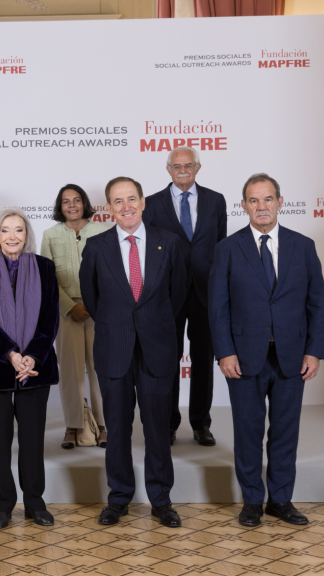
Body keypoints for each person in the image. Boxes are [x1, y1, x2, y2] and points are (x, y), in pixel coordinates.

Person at [209, 173, 324, 527]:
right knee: (248, 430)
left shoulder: (303, 245)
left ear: (280, 201)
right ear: (244, 205)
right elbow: (218, 307)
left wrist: (314, 351)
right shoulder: (227, 249)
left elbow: (316, 304)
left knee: (285, 431)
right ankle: (252, 502)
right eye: (254, 200)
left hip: (293, 355)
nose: (262, 206)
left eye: (268, 199)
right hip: (243, 357)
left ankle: (281, 500)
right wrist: (225, 352)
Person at [80, 177, 187, 528]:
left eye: (131, 199)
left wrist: (151, 325)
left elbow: (178, 295)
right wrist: (121, 325)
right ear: (108, 208)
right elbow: (93, 300)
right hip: (114, 349)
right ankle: (119, 498)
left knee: (157, 429)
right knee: (118, 430)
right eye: (117, 201)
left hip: (157, 349)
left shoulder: (168, 243)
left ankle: (161, 500)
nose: (125, 207)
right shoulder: (96, 248)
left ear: (143, 202)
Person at [0, 208, 59, 529]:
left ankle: (35, 503)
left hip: (35, 369)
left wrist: (32, 357)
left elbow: (50, 319)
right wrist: (11, 355)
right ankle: (3, 505)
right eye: (6, 230)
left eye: (19, 230)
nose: (12, 236)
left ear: (27, 235)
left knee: (33, 441)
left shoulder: (45, 269)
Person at [144, 146, 227, 447]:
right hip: (167, 294)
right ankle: (168, 423)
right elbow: (147, 254)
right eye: (176, 166)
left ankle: (201, 424)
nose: (182, 170)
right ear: (168, 169)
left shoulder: (215, 200)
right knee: (167, 360)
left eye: (188, 165)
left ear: (197, 167)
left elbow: (220, 248)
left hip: (206, 292)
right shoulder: (151, 204)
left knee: (204, 359)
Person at [40, 185, 107, 449]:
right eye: (66, 201)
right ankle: (73, 425)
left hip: (98, 310)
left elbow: (109, 272)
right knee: (70, 371)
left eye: (76, 200)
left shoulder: (103, 231)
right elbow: (47, 277)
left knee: (100, 370)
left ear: (84, 203)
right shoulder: (50, 234)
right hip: (66, 311)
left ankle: (102, 425)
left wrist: (92, 304)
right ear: (60, 206)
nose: (72, 205)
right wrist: (69, 306)